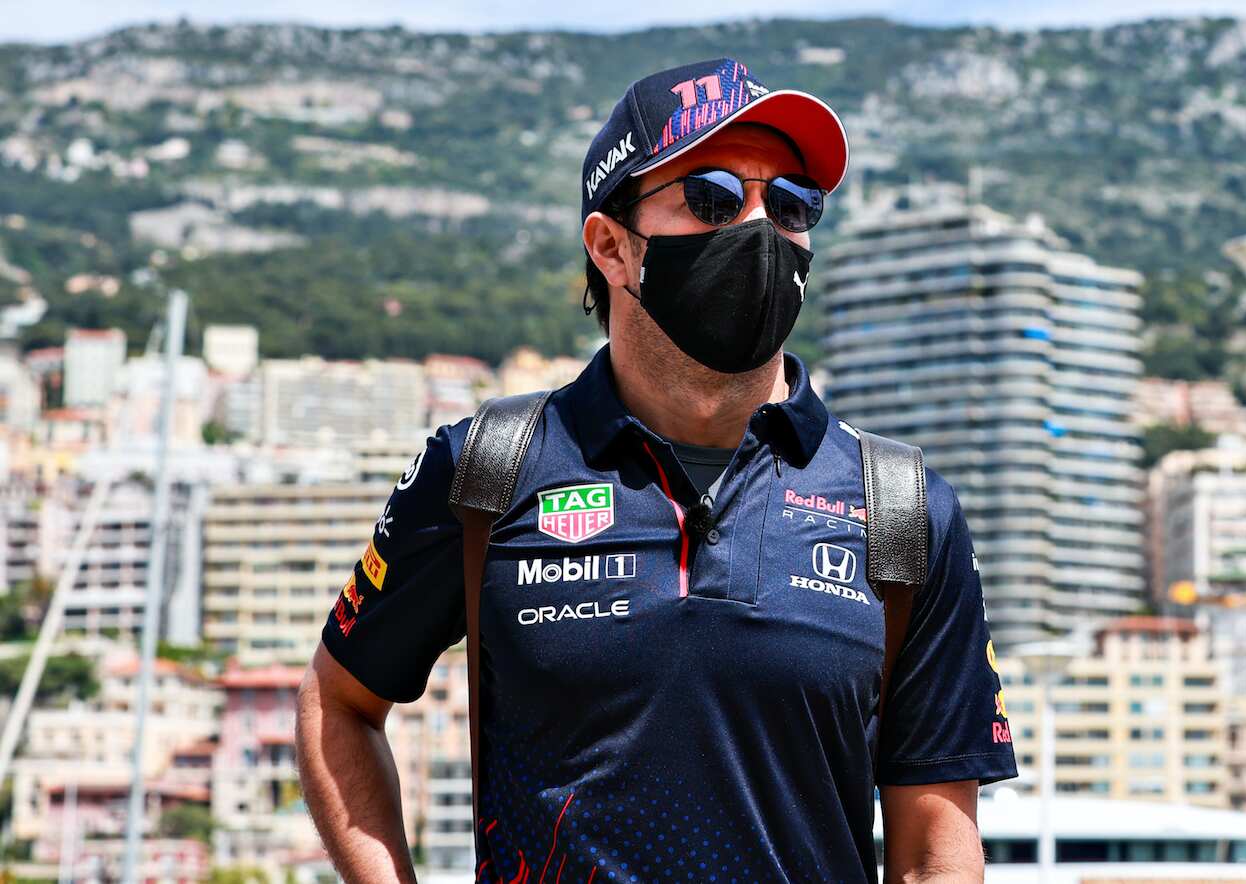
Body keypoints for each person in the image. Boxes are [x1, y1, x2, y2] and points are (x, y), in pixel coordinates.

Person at [296, 57, 1016, 883]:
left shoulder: (905, 508)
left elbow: (934, 854)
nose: (759, 229)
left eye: (791, 205)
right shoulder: (485, 470)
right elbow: (338, 705)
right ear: (610, 246)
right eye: (712, 196)